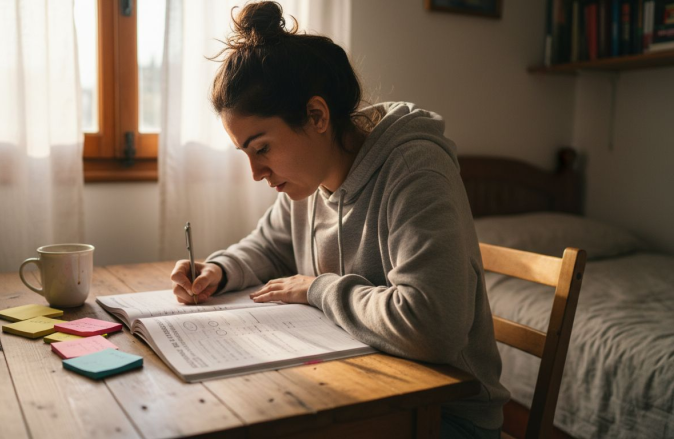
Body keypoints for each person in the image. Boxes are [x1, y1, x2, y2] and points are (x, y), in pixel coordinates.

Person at [169, 2, 509, 437]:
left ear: (317, 116)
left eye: (262, 148)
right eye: (245, 153)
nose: (255, 172)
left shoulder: (415, 170)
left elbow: (432, 327)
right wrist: (219, 270)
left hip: (445, 416)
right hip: (356, 391)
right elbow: (269, 245)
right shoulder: (306, 180)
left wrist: (318, 289)